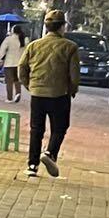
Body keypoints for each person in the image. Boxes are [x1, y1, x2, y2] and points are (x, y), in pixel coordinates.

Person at [18, 10, 79, 178]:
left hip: (37, 93)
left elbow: (22, 68)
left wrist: (30, 86)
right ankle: (50, 153)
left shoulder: (33, 45)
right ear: (62, 27)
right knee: (60, 128)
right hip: (60, 94)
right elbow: (74, 75)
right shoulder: (70, 47)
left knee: (36, 129)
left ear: (46, 26)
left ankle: (32, 165)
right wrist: (72, 90)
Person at [0, 22, 27, 101]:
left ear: (12, 31)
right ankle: (18, 94)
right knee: (17, 80)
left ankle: (9, 98)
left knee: (9, 81)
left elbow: (2, 50)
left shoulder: (8, 39)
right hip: (20, 63)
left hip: (9, 63)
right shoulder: (25, 40)